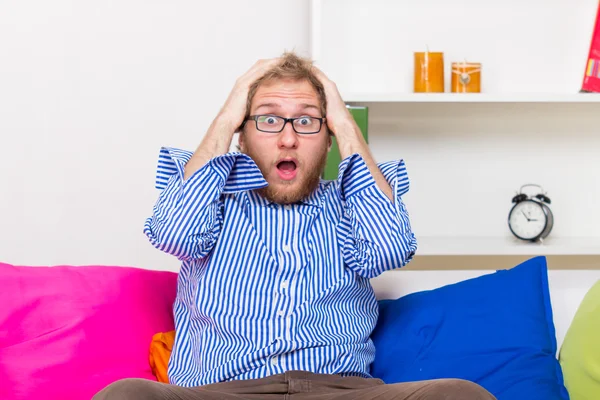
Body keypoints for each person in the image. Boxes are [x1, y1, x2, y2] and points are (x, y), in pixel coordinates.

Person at [93, 52, 496, 400]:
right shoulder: (210, 197)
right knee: (124, 394)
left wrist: (344, 121)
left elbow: (389, 248)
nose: (287, 139)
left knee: (462, 394)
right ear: (242, 135)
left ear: (328, 138)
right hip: (221, 391)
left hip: (341, 390)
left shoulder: (352, 202)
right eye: (268, 120)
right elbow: (174, 233)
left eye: (307, 123)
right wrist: (228, 112)